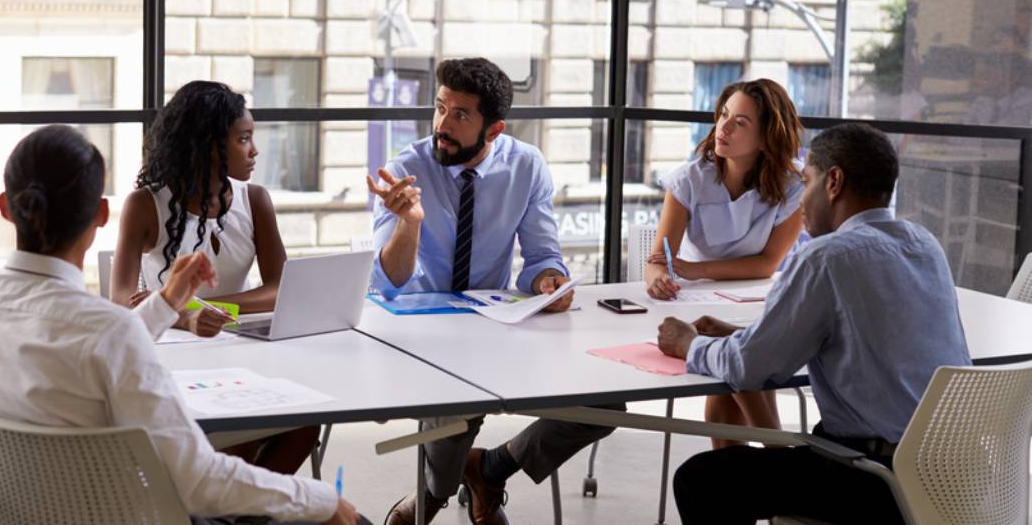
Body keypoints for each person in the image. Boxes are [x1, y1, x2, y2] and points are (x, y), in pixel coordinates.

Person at [0, 125, 365, 525]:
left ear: (5, 206)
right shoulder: (106, 331)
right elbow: (199, 483)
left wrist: (166, 305)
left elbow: (93, 347)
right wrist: (319, 499)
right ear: (102, 214)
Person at [657, 123, 971, 524]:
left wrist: (688, 344)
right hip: (951, 472)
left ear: (834, 182)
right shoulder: (924, 244)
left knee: (701, 479)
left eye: (806, 181)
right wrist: (747, 335)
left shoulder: (826, 256)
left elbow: (748, 368)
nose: (800, 199)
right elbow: (865, 336)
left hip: (882, 482)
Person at [367, 57, 617, 525]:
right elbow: (390, 279)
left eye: (460, 115)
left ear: (494, 128)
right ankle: (435, 494)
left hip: (492, 323)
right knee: (454, 410)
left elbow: (542, 254)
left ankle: (490, 466)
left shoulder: (526, 166)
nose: (443, 124)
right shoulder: (405, 168)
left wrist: (549, 281)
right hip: (418, 332)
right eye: (440, 108)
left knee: (604, 403)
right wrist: (409, 223)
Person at [113, 80, 317, 476]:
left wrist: (207, 307)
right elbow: (120, 304)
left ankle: (243, 516)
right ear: (209, 145)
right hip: (172, 358)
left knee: (306, 425)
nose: (255, 150)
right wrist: (185, 316)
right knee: (237, 435)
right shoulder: (144, 205)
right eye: (243, 139)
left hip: (241, 353)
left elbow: (281, 289)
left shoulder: (254, 200)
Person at [644, 79, 804, 448]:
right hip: (701, 304)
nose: (723, 128)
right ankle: (773, 457)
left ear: (766, 138)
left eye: (740, 122)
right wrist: (657, 277)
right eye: (723, 116)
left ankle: (766, 462)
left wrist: (695, 270)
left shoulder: (794, 185)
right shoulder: (689, 180)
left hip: (758, 300)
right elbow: (658, 260)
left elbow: (766, 264)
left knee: (734, 369)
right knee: (733, 377)